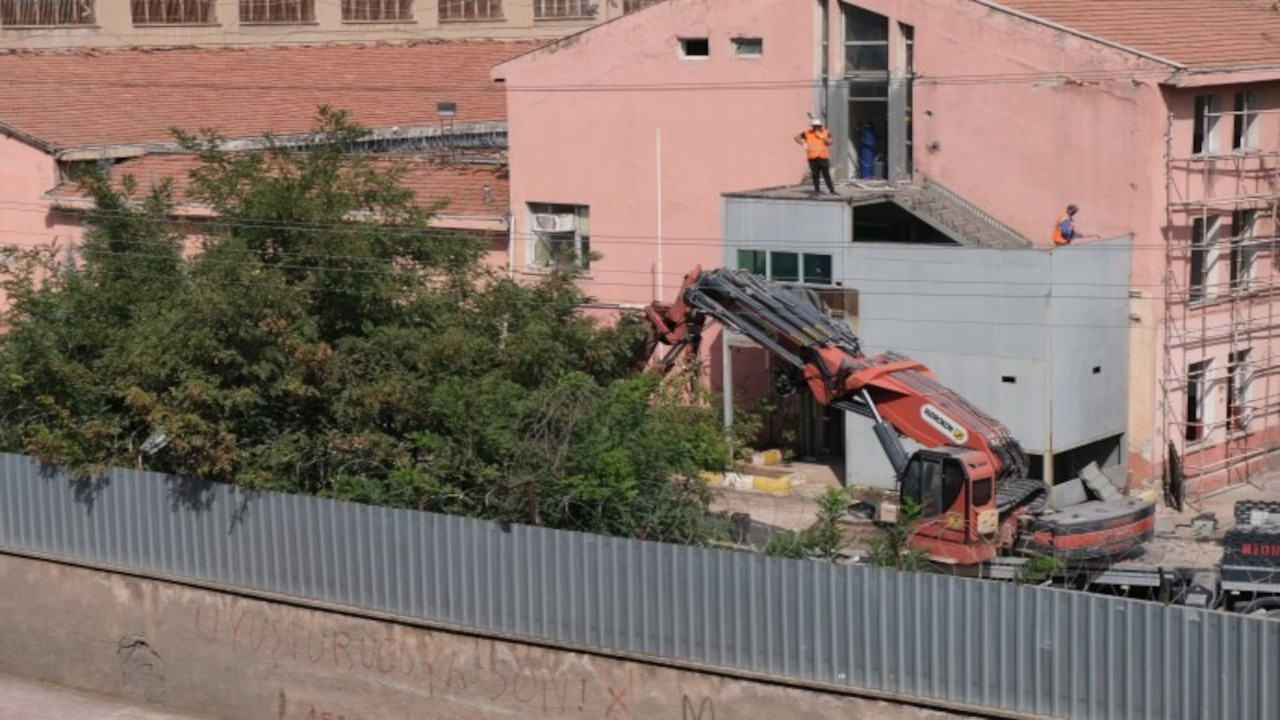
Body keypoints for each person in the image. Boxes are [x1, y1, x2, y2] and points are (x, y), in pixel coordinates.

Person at [795, 117, 835, 195]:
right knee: (815, 175)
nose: (816, 127)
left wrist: (822, 137)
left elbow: (830, 143)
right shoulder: (807, 133)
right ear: (812, 126)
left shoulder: (825, 132)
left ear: (820, 126)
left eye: (818, 126)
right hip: (812, 157)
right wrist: (803, 144)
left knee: (826, 175)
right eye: (814, 126)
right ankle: (817, 191)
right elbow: (796, 138)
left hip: (823, 157)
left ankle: (832, 190)